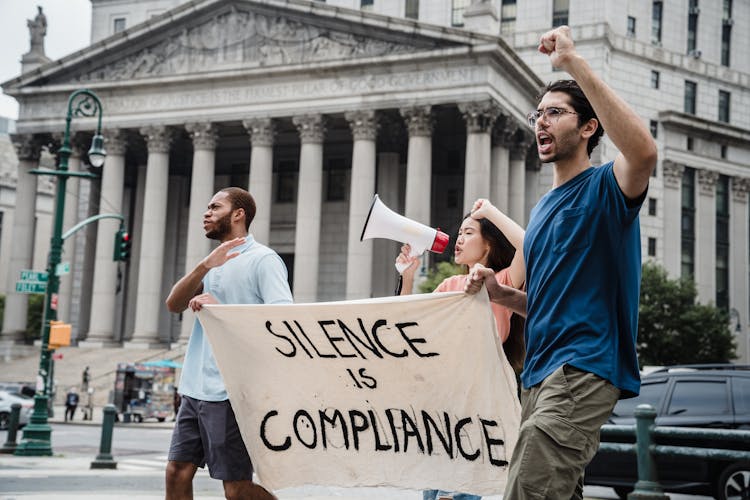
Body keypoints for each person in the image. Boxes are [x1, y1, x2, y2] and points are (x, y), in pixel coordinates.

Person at [466, 25, 657, 499]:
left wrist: (573, 63)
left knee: (528, 486)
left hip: (583, 367)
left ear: (588, 127)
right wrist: (500, 293)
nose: (540, 123)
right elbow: (546, 302)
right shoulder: (542, 208)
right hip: (538, 374)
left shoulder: (606, 187)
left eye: (555, 113)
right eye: (538, 114)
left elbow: (645, 151)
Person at [165, 187, 292, 500]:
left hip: (231, 391)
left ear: (238, 215)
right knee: (176, 472)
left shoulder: (263, 260)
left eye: (215, 207)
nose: (206, 213)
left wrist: (222, 312)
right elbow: (173, 304)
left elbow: (283, 320)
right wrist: (204, 266)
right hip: (194, 387)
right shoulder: (211, 262)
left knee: (235, 487)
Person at [396, 200, 525, 500]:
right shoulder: (449, 285)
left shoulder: (502, 281)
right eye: (459, 233)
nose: (459, 239)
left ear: (489, 244)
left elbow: (529, 246)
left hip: (478, 407)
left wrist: (488, 211)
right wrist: (408, 277)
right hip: (442, 407)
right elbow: (408, 330)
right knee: (434, 492)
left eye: (468, 233)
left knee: (457, 493)